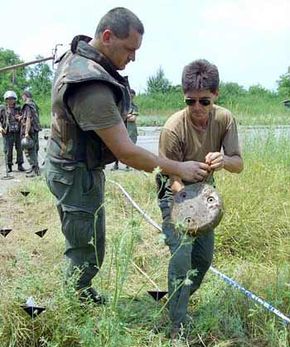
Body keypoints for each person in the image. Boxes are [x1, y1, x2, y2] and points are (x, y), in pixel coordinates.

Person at [45, 7, 213, 305]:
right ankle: (72, 303)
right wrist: (179, 168)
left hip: (76, 167)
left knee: (88, 243)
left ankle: (80, 292)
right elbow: (127, 152)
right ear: (107, 37)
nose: (133, 58)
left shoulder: (80, 56)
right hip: (74, 173)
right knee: (87, 250)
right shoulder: (91, 85)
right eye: (129, 49)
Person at [156, 59, 243, 339]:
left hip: (205, 191)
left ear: (215, 95)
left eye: (204, 101)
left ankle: (176, 298)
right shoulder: (173, 128)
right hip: (175, 192)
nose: (196, 108)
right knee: (182, 256)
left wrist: (224, 159)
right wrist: (184, 195)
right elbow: (170, 175)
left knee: (203, 261)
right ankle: (177, 326)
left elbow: (238, 164)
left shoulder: (225, 119)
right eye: (190, 101)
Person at [112, 88, 139, 170]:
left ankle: (128, 165)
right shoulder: (121, 105)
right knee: (117, 148)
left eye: (133, 96)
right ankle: (116, 164)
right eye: (130, 95)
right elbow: (117, 116)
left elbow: (133, 118)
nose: (131, 97)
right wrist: (128, 115)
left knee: (130, 148)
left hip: (131, 130)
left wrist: (125, 116)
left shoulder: (134, 107)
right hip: (121, 130)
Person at [0, 90, 25, 172]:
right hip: (7, 133)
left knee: (20, 149)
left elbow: (24, 118)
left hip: (18, 132)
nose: (10, 100)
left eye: (12, 99)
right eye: (8, 99)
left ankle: (20, 165)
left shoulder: (19, 108)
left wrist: (20, 118)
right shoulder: (2, 109)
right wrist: (0, 128)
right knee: (8, 150)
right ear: (6, 100)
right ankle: (9, 166)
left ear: (15, 99)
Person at [20, 90, 42, 177]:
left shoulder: (27, 105)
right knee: (35, 149)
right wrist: (21, 118)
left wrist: (26, 132)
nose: (22, 98)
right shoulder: (34, 104)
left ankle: (35, 170)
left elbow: (28, 119)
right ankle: (34, 168)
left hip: (31, 131)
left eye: (22, 97)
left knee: (30, 150)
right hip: (35, 130)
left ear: (25, 96)